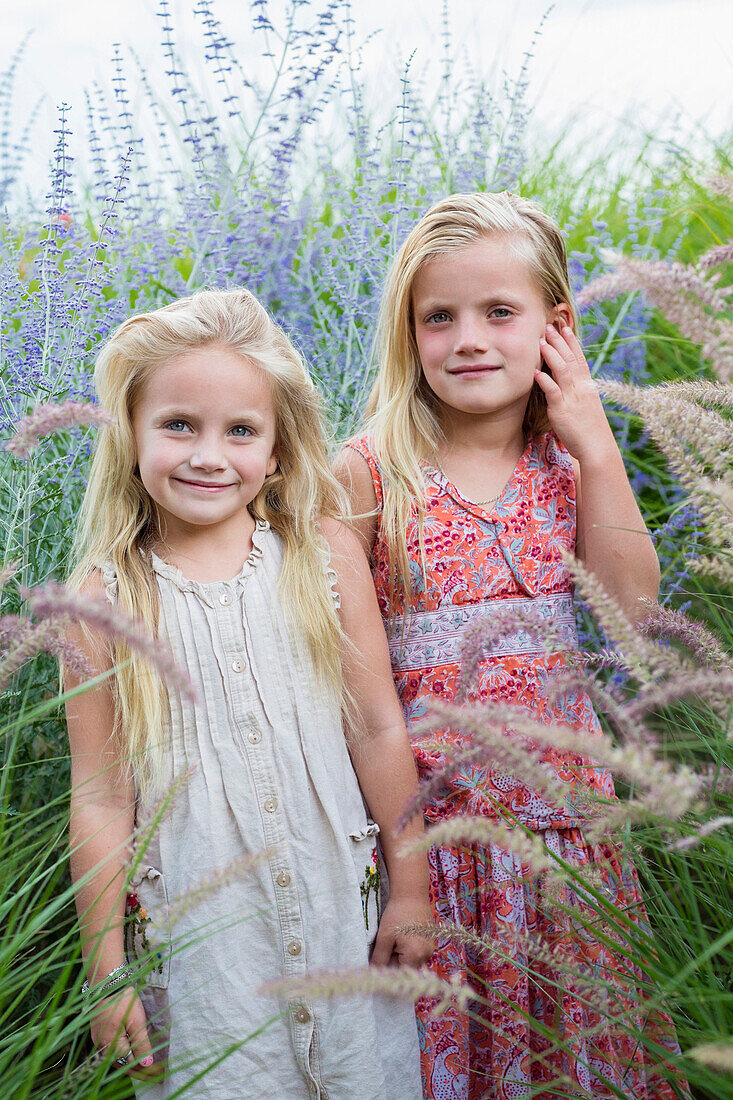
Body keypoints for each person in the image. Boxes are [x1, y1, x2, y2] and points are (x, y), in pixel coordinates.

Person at [337, 192, 684, 1099]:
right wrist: (405, 879)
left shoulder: (566, 470)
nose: (468, 340)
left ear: (554, 325)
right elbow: (366, 705)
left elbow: (632, 617)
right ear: (408, 335)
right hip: (436, 852)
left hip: (568, 844)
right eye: (438, 318)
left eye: (500, 313)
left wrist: (598, 449)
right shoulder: (371, 473)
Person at [64, 288, 432, 1099]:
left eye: (240, 430)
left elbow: (375, 727)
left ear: (275, 449)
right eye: (177, 425)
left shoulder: (321, 556)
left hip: (342, 916)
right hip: (206, 944)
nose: (208, 454)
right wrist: (107, 971)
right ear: (129, 436)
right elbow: (99, 798)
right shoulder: (103, 604)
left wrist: (409, 886)